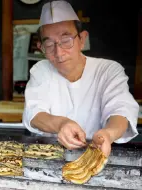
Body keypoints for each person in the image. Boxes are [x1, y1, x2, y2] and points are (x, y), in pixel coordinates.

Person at [22, 0, 139, 157]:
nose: (59, 52)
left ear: (82, 39)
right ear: (41, 48)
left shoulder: (108, 70)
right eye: (49, 44)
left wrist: (108, 134)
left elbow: (121, 110)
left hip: (97, 154)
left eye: (66, 40)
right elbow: (34, 113)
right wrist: (62, 124)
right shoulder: (41, 70)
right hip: (51, 156)